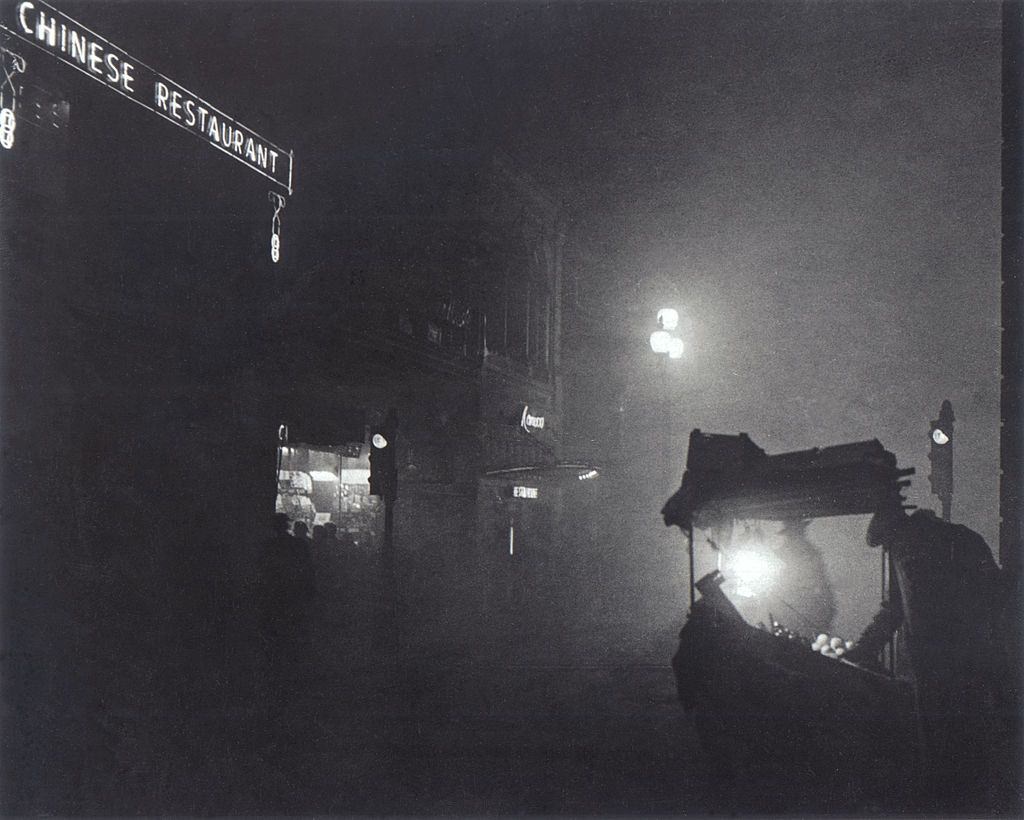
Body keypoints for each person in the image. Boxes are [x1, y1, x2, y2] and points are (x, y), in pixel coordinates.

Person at [844, 505, 1005, 812]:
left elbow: (893, 608)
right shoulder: (962, 539)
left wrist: (862, 651)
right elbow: (995, 593)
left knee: (939, 743)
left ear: (893, 535)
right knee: (966, 741)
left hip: (933, 664)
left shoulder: (906, 550)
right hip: (964, 661)